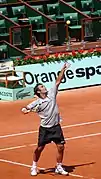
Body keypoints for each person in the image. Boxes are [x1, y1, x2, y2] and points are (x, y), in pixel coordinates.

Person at [22, 63, 71, 176]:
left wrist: (63, 69)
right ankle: (34, 166)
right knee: (39, 148)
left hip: (56, 127)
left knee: (61, 147)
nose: (45, 87)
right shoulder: (36, 102)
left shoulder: (52, 94)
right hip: (45, 129)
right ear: (39, 92)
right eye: (42, 87)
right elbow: (26, 108)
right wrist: (25, 109)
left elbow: (58, 81)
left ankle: (59, 166)